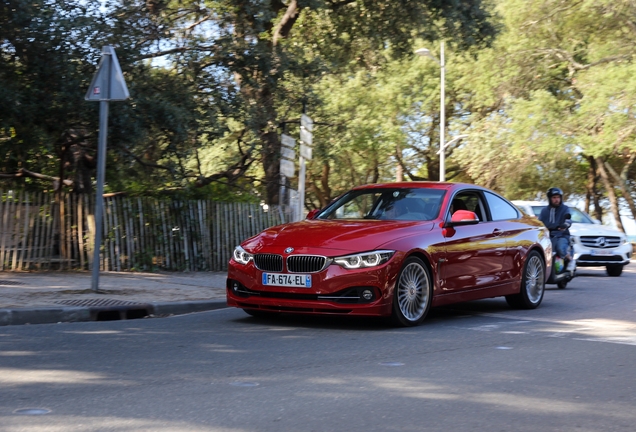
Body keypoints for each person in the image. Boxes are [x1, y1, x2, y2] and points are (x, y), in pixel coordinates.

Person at [539, 187, 575, 272]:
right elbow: (540, 222)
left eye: (558, 197)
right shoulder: (544, 211)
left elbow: (568, 218)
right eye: (554, 197)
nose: (556, 200)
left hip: (562, 235)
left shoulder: (565, 208)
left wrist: (565, 224)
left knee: (560, 248)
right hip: (548, 236)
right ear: (550, 198)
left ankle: (571, 260)